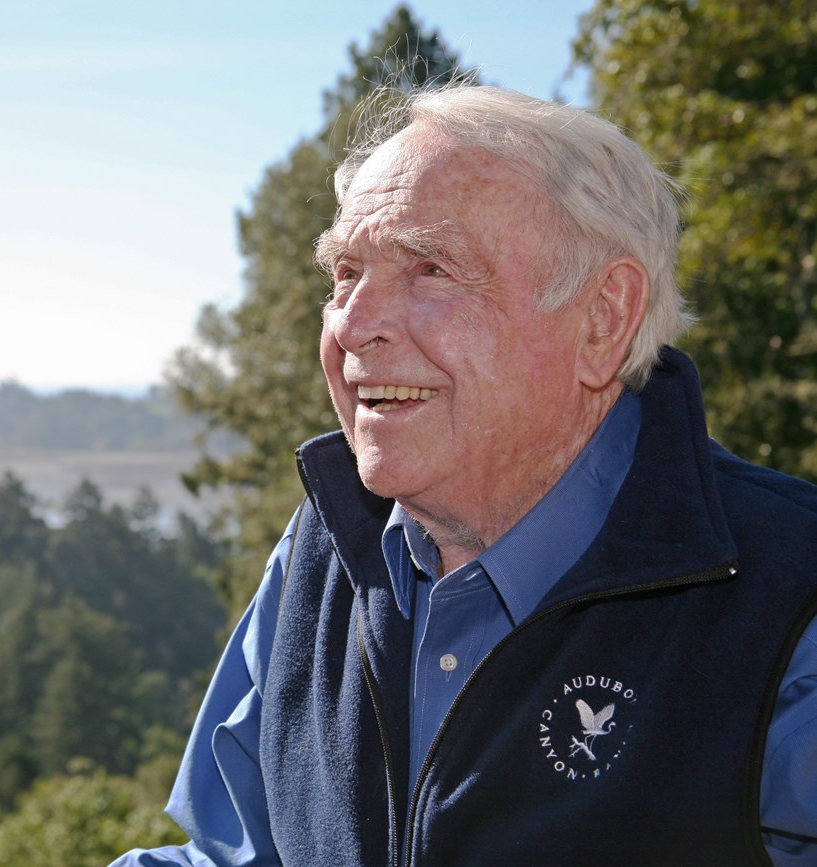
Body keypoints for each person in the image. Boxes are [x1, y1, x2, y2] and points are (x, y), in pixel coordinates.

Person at [113, 84, 817, 866]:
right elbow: (233, 854)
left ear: (604, 318)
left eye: (431, 269)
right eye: (345, 272)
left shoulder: (788, 598)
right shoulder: (323, 552)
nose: (351, 322)